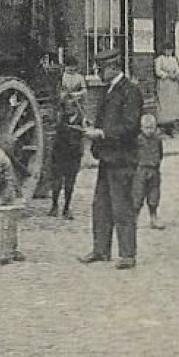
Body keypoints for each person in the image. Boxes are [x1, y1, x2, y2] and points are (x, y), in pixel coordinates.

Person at [80, 48, 144, 270]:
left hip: (122, 158)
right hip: (108, 157)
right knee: (101, 206)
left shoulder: (130, 91)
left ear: (113, 67)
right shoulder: (109, 90)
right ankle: (101, 250)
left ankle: (127, 254)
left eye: (100, 69)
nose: (97, 73)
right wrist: (94, 128)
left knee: (122, 206)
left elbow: (130, 126)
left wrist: (103, 133)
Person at [48, 77, 87, 219]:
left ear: (76, 107)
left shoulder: (81, 119)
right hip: (60, 152)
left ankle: (66, 208)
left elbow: (85, 132)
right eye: (67, 107)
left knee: (70, 182)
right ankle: (54, 205)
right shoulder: (61, 119)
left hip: (74, 154)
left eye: (72, 106)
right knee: (57, 181)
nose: (69, 109)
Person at [135, 111, 166, 230]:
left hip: (154, 170)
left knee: (154, 194)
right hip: (141, 170)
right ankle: (135, 218)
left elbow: (160, 152)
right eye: (147, 128)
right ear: (141, 128)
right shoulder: (138, 140)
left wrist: (156, 163)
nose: (150, 130)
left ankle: (154, 217)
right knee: (138, 194)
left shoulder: (157, 139)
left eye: (152, 127)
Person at [154, 47, 179, 133]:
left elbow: (178, 70)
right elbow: (158, 71)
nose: (168, 52)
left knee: (172, 103)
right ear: (163, 50)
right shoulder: (159, 59)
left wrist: (176, 75)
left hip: (173, 84)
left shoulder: (173, 59)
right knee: (164, 102)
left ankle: (172, 122)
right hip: (164, 83)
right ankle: (163, 122)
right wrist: (167, 75)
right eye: (167, 50)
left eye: (170, 50)